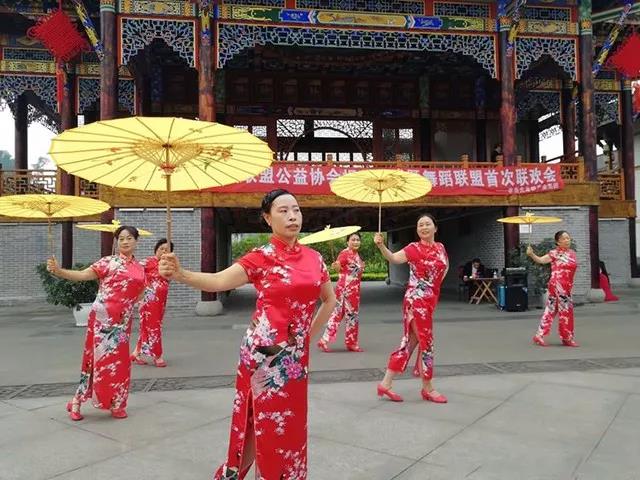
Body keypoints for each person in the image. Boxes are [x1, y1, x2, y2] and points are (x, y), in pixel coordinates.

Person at [159, 189, 336, 479]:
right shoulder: (260, 257)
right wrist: (181, 274)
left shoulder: (315, 259)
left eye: (296, 209)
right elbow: (218, 281)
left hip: (294, 360)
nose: (292, 216)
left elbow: (330, 300)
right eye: (283, 211)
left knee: (291, 422)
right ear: (267, 218)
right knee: (260, 422)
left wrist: (306, 339)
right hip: (262, 356)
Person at [47, 226, 145, 421]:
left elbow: (141, 292)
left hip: (122, 324)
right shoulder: (108, 262)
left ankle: (117, 402)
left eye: (129, 238)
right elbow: (83, 275)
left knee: (120, 363)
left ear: (136, 241)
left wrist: (125, 306)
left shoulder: (140, 268)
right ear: (116, 242)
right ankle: (77, 401)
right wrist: (59, 271)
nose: (125, 242)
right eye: (121, 238)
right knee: (94, 361)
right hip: (102, 321)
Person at [373, 213, 449, 404]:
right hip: (416, 302)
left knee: (410, 343)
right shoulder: (413, 248)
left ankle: (385, 383)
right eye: (420, 225)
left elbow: (445, 267)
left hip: (429, 301)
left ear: (435, 228)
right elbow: (393, 258)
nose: (424, 227)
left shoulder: (441, 248)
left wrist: (432, 287)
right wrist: (381, 245)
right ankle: (428, 387)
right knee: (427, 343)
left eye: (427, 224)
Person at [527, 230, 579, 347]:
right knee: (566, 310)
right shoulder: (554, 253)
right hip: (558, 285)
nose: (567, 240)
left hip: (567, 286)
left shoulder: (572, 253)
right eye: (564, 238)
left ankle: (539, 335)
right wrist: (532, 254)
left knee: (551, 310)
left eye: (568, 238)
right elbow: (541, 260)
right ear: (557, 242)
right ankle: (567, 337)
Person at [318, 231, 365, 353]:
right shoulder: (344, 253)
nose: (356, 242)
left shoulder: (357, 255)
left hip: (354, 291)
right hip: (344, 290)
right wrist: (336, 266)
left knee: (352, 316)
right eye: (353, 240)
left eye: (357, 240)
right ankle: (324, 340)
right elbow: (338, 267)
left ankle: (351, 343)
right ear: (347, 242)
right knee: (337, 315)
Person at [131, 238, 174, 367]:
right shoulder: (148, 261)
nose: (163, 251)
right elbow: (133, 271)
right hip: (148, 300)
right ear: (156, 249)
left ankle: (136, 353)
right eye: (161, 249)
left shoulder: (167, 264)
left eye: (167, 250)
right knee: (154, 327)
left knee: (147, 326)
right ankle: (157, 356)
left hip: (160, 300)